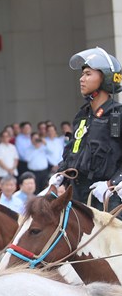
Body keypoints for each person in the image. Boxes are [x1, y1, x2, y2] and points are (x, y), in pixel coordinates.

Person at [52, 48, 122, 208]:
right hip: (76, 194)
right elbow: (73, 150)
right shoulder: (82, 115)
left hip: (107, 197)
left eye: (88, 74)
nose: (81, 79)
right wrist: (61, 173)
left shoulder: (118, 114)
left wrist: (112, 184)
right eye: (82, 74)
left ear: (105, 78)